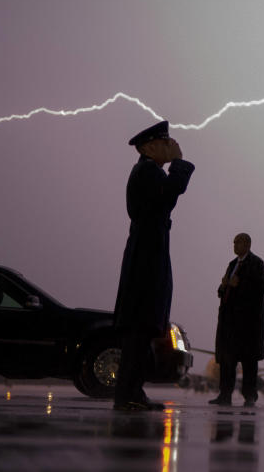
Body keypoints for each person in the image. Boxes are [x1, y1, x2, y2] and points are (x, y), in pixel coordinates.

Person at [113, 120, 194, 411]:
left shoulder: (148, 171)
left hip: (148, 251)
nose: (169, 146)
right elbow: (170, 195)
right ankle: (126, 394)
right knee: (138, 328)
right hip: (146, 255)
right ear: (148, 147)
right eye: (163, 142)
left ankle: (133, 391)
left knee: (144, 328)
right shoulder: (147, 171)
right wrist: (181, 162)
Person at [208, 232, 264, 408]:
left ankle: (249, 395)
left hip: (248, 322)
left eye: (238, 243)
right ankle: (224, 394)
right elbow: (223, 290)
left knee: (249, 361)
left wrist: (239, 284)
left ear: (247, 244)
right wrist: (224, 285)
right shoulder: (232, 264)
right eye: (234, 243)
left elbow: (262, 287)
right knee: (228, 360)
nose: (234, 246)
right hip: (229, 322)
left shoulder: (257, 264)